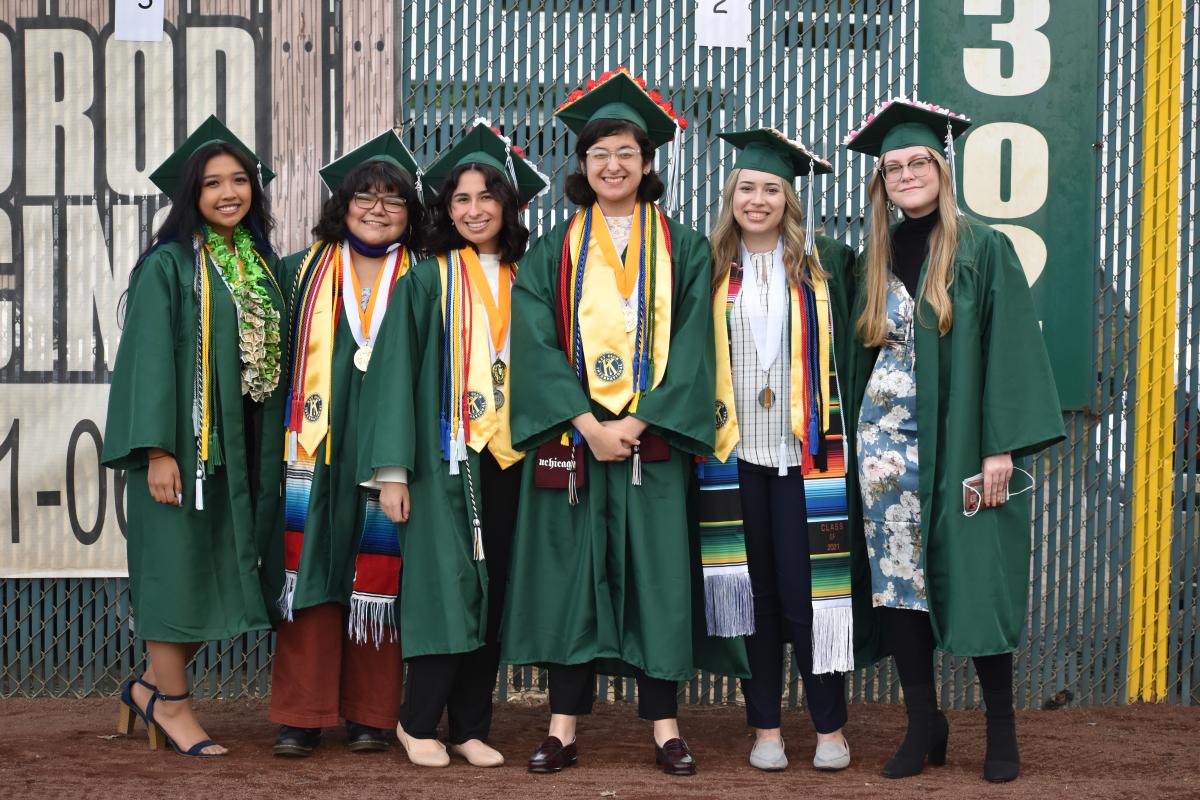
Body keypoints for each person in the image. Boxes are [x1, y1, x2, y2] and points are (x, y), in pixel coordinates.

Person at [501, 68, 748, 778]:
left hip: (653, 444)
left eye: (627, 154)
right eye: (600, 154)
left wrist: (634, 425)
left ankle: (665, 728)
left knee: (657, 581)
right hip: (574, 446)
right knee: (567, 581)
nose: (614, 166)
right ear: (581, 167)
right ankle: (562, 727)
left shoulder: (686, 248)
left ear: (648, 164)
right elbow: (536, 347)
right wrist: (587, 423)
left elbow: (699, 347)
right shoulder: (552, 250)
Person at [841, 98, 1065, 782]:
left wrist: (1000, 448)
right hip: (884, 452)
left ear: (941, 168)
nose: (906, 175)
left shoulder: (982, 248)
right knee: (900, 587)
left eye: (918, 163)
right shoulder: (868, 260)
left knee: (976, 580)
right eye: (893, 168)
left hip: (964, 446)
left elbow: (1010, 351)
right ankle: (923, 725)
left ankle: (1001, 727)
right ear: (880, 183)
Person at [358, 121, 546, 768]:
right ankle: (416, 721)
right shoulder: (427, 280)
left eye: (485, 197)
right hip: (447, 458)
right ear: (447, 208)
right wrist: (393, 472)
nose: (472, 210)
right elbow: (391, 377)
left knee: (494, 597)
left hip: (511, 458)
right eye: (460, 199)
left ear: (509, 206)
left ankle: (469, 725)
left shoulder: (531, 278)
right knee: (445, 589)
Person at [104, 116, 287, 758]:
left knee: (227, 574)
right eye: (213, 184)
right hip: (185, 449)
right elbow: (149, 358)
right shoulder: (169, 265)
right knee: (179, 572)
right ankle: (174, 707)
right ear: (192, 195)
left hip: (244, 450)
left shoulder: (258, 265)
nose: (229, 192)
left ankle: (150, 688)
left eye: (240, 180)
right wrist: (157, 450)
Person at [268, 131, 426, 757]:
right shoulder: (299, 273)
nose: (378, 208)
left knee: (377, 576)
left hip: (390, 448)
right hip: (316, 441)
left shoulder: (426, 277)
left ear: (411, 212)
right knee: (308, 571)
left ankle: (370, 714)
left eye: (394, 199)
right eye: (365, 196)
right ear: (343, 203)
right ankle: (302, 714)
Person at [705, 128, 855, 772]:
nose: (758, 199)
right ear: (730, 196)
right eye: (747, 188)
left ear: (790, 200)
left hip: (807, 458)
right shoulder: (707, 267)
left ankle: (828, 728)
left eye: (771, 189)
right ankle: (764, 726)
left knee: (811, 594)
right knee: (751, 594)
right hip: (732, 457)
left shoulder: (825, 267)